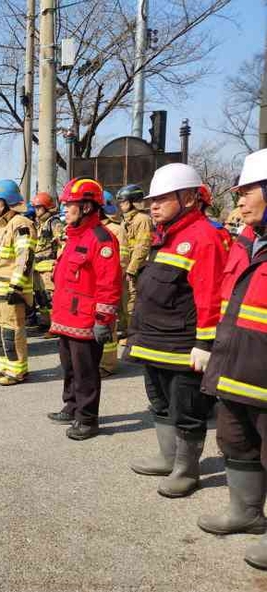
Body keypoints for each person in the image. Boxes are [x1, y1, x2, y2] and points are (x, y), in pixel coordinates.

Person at [125, 163, 227, 497]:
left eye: (162, 198)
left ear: (188, 198)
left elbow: (210, 295)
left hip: (183, 346)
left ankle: (186, 470)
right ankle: (168, 457)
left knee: (187, 409)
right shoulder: (166, 235)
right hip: (155, 340)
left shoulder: (204, 237)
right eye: (152, 200)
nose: (153, 206)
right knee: (160, 402)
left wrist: (205, 343)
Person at [195, 148, 267, 569]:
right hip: (237, 366)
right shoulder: (247, 241)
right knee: (235, 441)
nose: (238, 201)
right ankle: (246, 512)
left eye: (247, 191)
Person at [47, 178, 121, 440]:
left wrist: (103, 319)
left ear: (87, 207)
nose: (65, 210)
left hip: (86, 320)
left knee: (85, 372)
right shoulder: (73, 236)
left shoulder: (102, 239)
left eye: (70, 205)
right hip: (66, 317)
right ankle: (71, 406)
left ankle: (88, 419)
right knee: (68, 367)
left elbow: (109, 284)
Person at [0, 180, 36, 386]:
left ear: (7, 201)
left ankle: (17, 370)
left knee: (12, 330)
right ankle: (4, 366)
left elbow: (25, 257)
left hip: (9, 289)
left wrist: (16, 286)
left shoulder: (21, 224)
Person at [116, 185, 153, 340]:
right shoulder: (125, 221)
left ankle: (135, 335)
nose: (121, 205)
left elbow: (142, 246)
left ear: (132, 202)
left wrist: (131, 269)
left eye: (123, 201)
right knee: (124, 301)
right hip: (126, 268)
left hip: (137, 269)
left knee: (132, 302)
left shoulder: (142, 219)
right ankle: (127, 330)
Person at [99, 191, 128, 377]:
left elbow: (122, 258)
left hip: (109, 284)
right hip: (92, 286)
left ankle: (108, 364)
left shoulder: (116, 230)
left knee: (108, 322)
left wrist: (113, 283)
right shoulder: (88, 229)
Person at [31, 191, 64, 333]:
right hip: (37, 267)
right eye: (35, 208)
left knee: (51, 298)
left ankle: (55, 326)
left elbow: (62, 242)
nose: (36, 210)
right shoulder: (39, 224)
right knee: (41, 298)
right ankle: (45, 323)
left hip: (48, 266)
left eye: (39, 207)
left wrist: (59, 264)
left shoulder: (54, 222)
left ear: (46, 207)